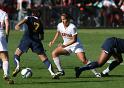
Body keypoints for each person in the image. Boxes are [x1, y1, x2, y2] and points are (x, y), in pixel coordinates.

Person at [49, 13, 101, 77]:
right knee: (54, 53)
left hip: (76, 45)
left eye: (64, 19)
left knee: (84, 60)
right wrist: (52, 41)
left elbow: (74, 40)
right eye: (61, 19)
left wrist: (64, 45)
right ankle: (61, 71)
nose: (62, 21)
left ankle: (96, 73)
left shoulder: (72, 27)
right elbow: (58, 32)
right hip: (67, 45)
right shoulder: (60, 25)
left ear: (68, 19)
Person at [12, 9, 59, 79]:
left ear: (33, 14)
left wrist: (18, 25)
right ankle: (52, 73)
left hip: (27, 39)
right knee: (44, 59)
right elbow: (42, 37)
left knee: (17, 54)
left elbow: (25, 19)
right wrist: (39, 45)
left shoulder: (29, 17)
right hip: (36, 41)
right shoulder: (40, 23)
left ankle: (17, 66)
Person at [0, 9, 14, 84]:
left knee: (4, 57)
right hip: (1, 35)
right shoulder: (3, 13)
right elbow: (7, 25)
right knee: (5, 58)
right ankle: (6, 74)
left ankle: (7, 76)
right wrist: (7, 36)